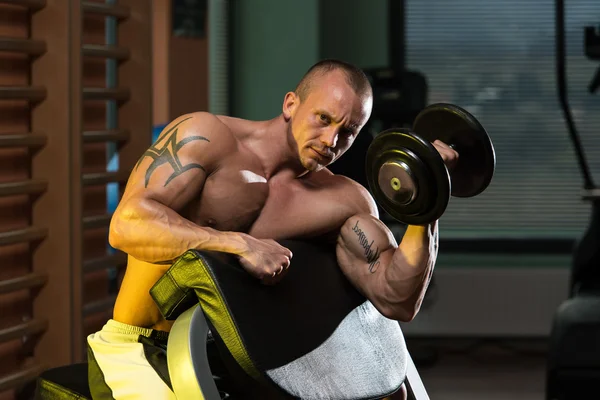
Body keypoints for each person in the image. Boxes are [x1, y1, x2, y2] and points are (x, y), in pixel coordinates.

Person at [87, 59, 458, 400]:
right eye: (324, 119)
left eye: (348, 132)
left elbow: (397, 297)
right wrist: (238, 244)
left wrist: (428, 199)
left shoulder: (343, 200)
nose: (331, 142)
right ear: (290, 104)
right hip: (144, 346)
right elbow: (125, 225)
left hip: (248, 362)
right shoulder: (204, 137)